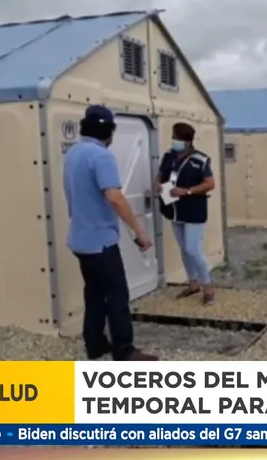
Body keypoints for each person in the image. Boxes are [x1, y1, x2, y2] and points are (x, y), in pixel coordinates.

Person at [63, 105, 157, 361]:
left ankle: (95, 345)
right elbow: (114, 197)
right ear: (108, 131)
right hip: (100, 241)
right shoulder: (101, 156)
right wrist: (139, 231)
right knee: (117, 297)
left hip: (80, 240)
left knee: (94, 293)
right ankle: (124, 351)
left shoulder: (73, 153)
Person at [154, 122, 217, 305]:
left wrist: (187, 191)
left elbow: (209, 184)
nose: (174, 141)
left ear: (187, 141)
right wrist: (157, 183)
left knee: (192, 249)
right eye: (173, 137)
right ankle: (192, 283)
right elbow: (161, 175)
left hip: (194, 211)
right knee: (184, 249)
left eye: (177, 138)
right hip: (174, 210)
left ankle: (208, 287)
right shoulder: (169, 156)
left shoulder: (200, 160)